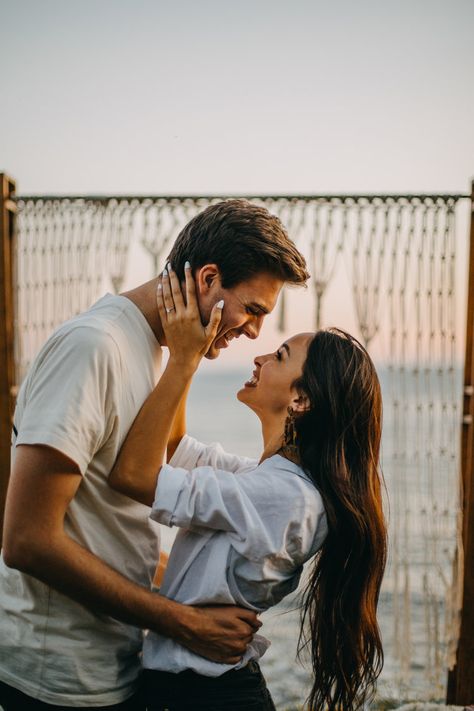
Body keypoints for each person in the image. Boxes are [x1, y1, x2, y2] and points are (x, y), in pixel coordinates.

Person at [0, 200, 309, 710]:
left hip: (113, 662)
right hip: (53, 677)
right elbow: (27, 540)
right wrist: (184, 622)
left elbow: (159, 465)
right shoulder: (93, 347)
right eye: (253, 310)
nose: (255, 332)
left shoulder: (153, 350)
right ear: (208, 278)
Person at [109, 264, 388, 711]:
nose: (258, 358)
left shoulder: (284, 497)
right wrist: (192, 353)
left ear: (301, 400)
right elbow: (174, 449)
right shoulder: (267, 481)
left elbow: (135, 477)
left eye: (278, 356)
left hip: (208, 697)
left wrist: (181, 361)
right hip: (194, 690)